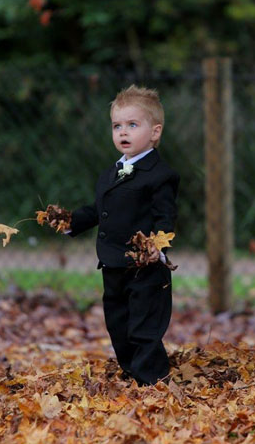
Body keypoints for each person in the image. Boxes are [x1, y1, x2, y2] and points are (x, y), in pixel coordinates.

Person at [66, 85, 180, 386]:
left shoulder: (160, 175)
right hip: (114, 263)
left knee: (144, 325)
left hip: (145, 266)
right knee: (118, 323)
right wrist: (71, 222)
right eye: (117, 126)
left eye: (132, 124)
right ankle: (131, 372)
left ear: (154, 132)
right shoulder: (111, 173)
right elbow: (98, 209)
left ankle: (152, 381)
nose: (123, 132)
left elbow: (164, 217)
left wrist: (157, 246)